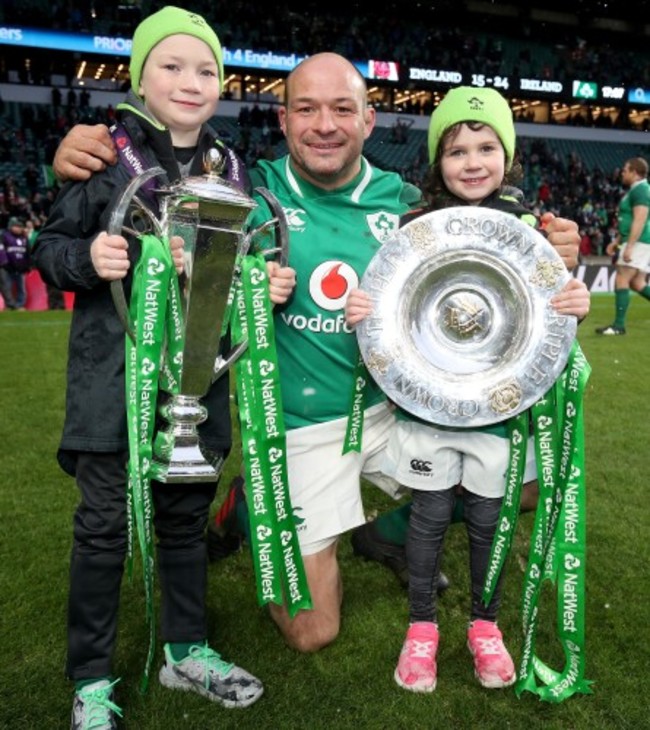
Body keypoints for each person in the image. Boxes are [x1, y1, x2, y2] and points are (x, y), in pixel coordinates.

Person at [52, 53, 581, 656]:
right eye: (306, 109)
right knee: (312, 632)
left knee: (531, 476)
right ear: (282, 119)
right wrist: (74, 149)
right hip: (303, 427)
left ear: (369, 121)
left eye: (341, 109)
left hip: (395, 414)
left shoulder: (408, 203)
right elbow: (156, 181)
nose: (324, 124)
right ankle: (249, 506)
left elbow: (490, 231)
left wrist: (549, 235)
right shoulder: (248, 190)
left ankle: (387, 530)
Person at [33, 7, 294, 727]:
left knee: (183, 521)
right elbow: (48, 250)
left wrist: (263, 283)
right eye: (172, 66)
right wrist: (89, 258)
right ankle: (91, 680)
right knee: (103, 528)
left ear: (223, 83)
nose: (191, 81)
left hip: (198, 381)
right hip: (113, 383)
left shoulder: (232, 168)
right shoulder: (102, 155)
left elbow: (245, 267)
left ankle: (185, 651)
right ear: (139, 77)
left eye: (206, 69)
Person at [345, 86, 590, 693]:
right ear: (438, 162)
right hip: (428, 406)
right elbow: (387, 305)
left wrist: (575, 301)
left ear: (507, 154)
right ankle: (421, 630)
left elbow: (551, 318)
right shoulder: (413, 228)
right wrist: (363, 308)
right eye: (456, 151)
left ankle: (486, 626)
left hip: (502, 411)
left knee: (490, 519)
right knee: (428, 517)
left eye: (486, 147)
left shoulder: (534, 234)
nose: (473, 161)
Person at [595, 156, 650, 335]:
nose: (622, 173)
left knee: (622, 278)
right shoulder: (637, 190)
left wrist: (629, 246)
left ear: (635, 173)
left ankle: (618, 326)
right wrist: (617, 241)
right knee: (637, 283)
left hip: (639, 241)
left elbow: (640, 218)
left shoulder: (640, 190)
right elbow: (629, 220)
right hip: (639, 240)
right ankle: (618, 325)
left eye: (626, 170)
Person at [0, 217, 30, 310]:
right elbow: (1, 250)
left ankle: (20, 305)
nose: (19, 228)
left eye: (20, 227)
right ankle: (10, 305)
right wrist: (4, 262)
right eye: (16, 226)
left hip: (20, 267)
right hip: (6, 266)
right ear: (11, 226)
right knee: (6, 287)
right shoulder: (4, 236)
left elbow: (28, 252)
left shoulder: (24, 238)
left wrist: (28, 265)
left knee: (21, 287)